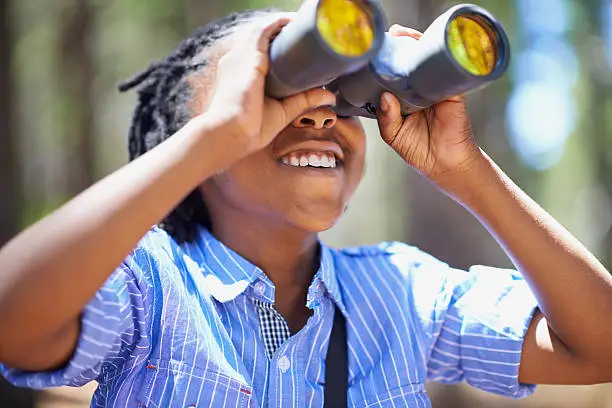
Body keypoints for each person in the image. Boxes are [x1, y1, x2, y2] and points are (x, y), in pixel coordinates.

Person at [0, 8, 611, 408]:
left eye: (346, 96)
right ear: (193, 133)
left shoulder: (402, 293)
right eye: (275, 89)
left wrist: (466, 171)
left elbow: (599, 347)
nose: (318, 112)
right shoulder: (149, 289)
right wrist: (216, 137)